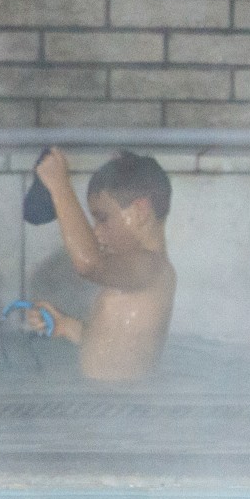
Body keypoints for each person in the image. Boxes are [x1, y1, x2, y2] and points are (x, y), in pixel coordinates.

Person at [15, 149, 177, 382]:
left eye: (103, 218)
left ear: (140, 211)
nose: (97, 232)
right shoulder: (135, 272)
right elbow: (116, 343)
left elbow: (89, 264)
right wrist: (66, 326)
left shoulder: (152, 268)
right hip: (110, 396)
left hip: (117, 400)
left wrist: (59, 186)